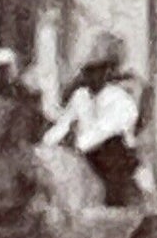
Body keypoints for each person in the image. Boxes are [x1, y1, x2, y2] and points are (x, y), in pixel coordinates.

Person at [43, 33, 144, 207]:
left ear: (107, 72)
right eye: (88, 71)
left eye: (97, 70)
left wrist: (77, 145)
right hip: (85, 157)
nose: (91, 76)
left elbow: (102, 132)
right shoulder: (80, 96)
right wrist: (45, 146)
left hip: (112, 160)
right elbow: (63, 124)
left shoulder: (121, 100)